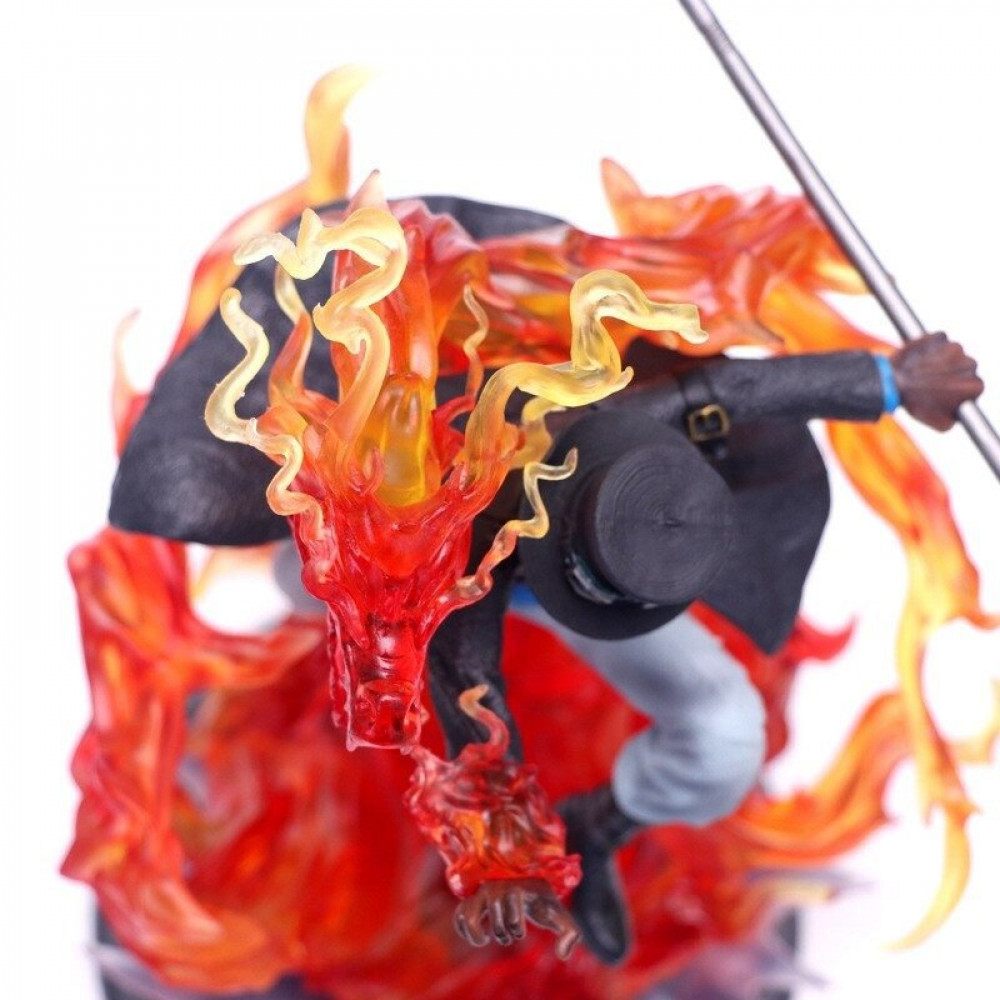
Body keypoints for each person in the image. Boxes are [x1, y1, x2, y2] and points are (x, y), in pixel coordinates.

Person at [107, 195, 984, 965]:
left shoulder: (637, 422)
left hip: (600, 586)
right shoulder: (458, 545)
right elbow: (475, 706)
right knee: (313, 585)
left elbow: (748, 390)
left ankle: (600, 830)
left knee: (726, 736)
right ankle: (317, 687)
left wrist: (893, 381)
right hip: (442, 558)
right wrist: (503, 854)